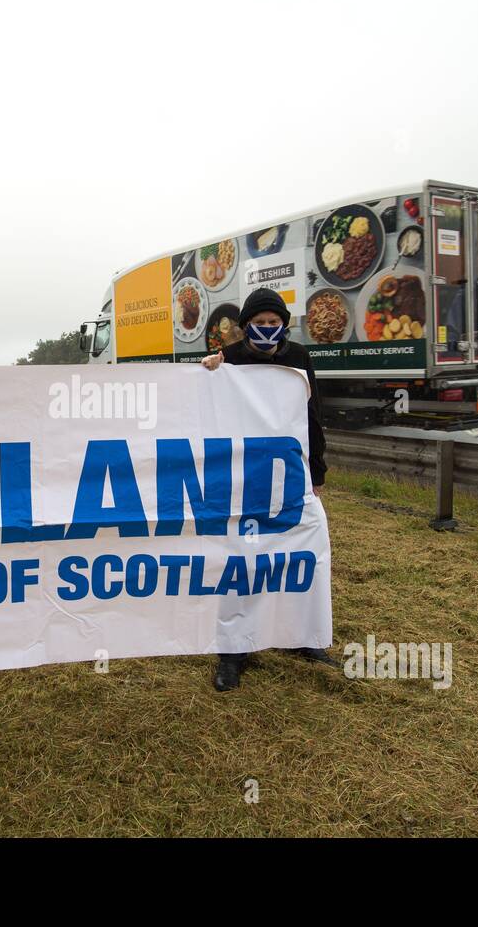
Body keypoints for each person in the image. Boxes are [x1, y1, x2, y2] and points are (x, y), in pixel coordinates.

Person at [201, 288, 338, 691]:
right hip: (243, 478)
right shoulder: (231, 359)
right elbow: (202, 398)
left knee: (306, 553)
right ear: (246, 327)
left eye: (273, 324)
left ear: (284, 325)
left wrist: (317, 473)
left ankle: (303, 636)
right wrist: (209, 367)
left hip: (290, 478)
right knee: (241, 561)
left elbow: (312, 417)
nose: (266, 330)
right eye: (259, 324)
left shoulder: (299, 358)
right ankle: (233, 653)